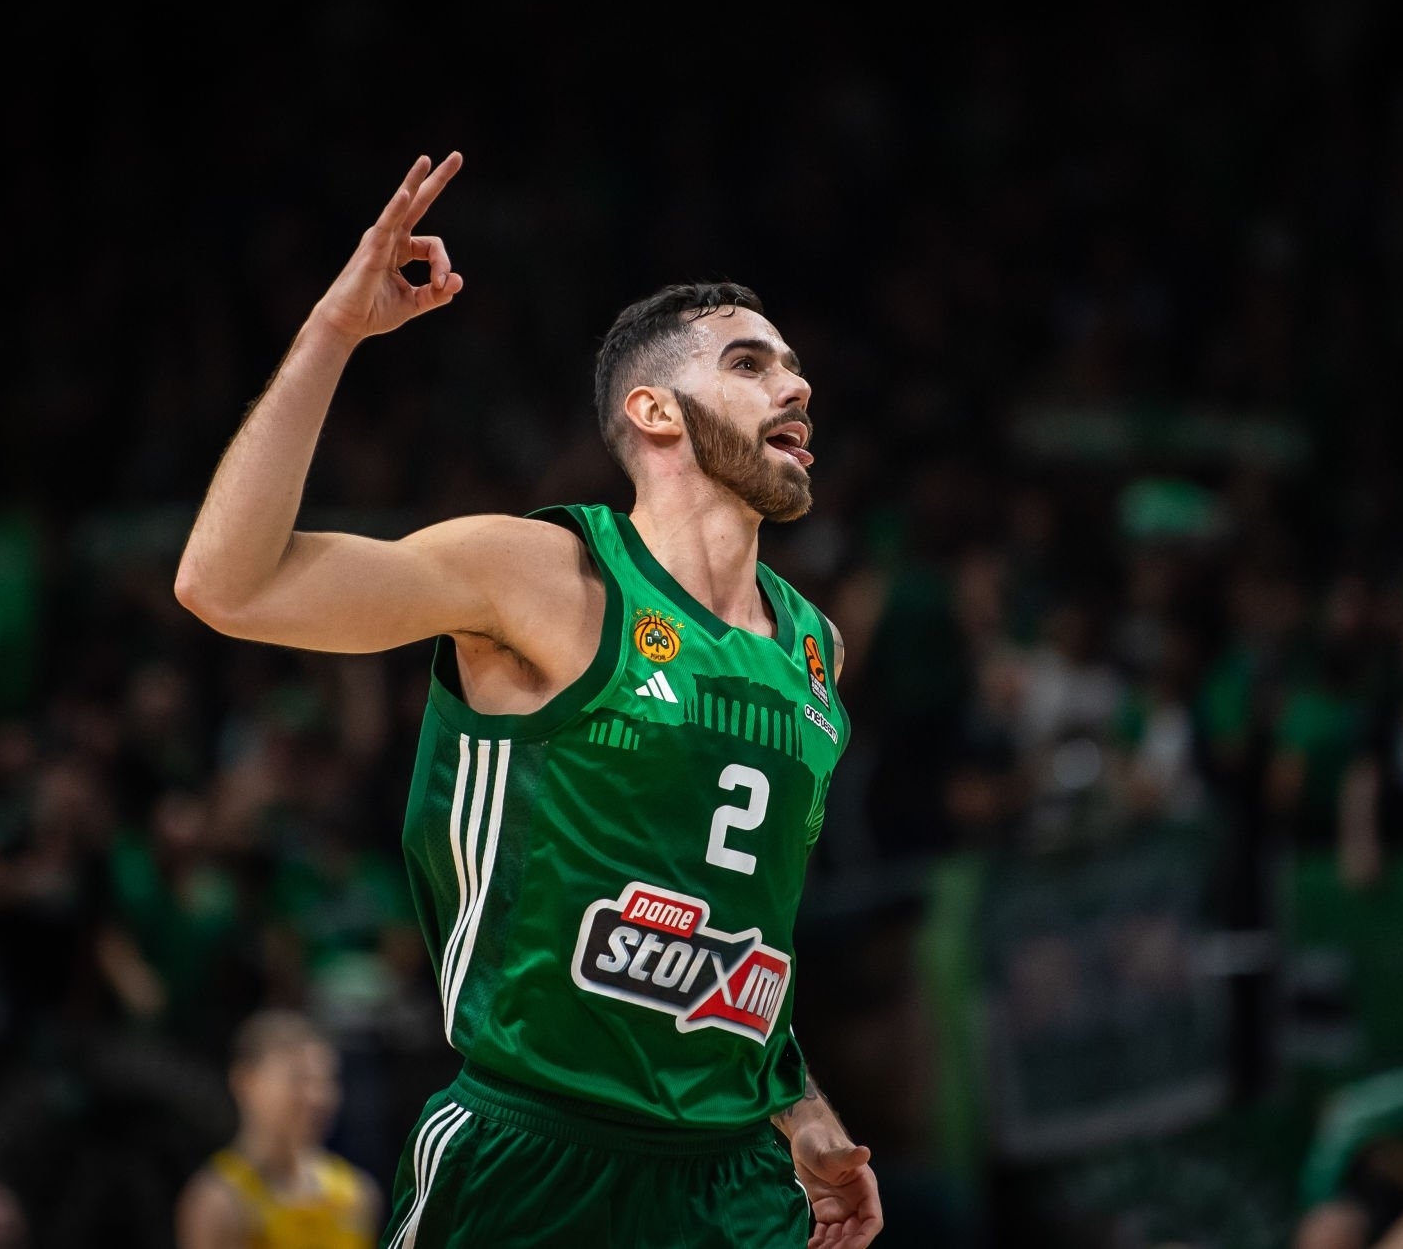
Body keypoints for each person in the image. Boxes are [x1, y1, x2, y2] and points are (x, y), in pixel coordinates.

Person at [175, 153, 882, 1247]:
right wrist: (333, 332)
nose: (795, 387)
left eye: (793, 367)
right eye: (749, 363)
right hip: (534, 1156)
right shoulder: (546, 577)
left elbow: (741, 928)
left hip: (735, 1178)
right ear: (653, 410)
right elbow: (229, 584)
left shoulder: (814, 652)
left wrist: (802, 1108)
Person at [176, 1009, 380, 1249]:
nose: (317, 1096)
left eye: (326, 1080)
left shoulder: (357, 1195)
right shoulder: (217, 1202)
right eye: (298, 1078)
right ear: (245, 1081)